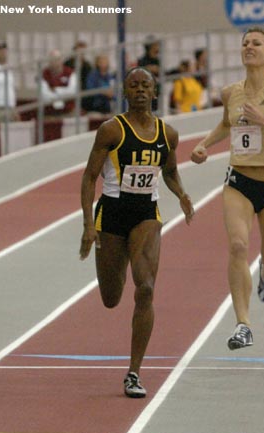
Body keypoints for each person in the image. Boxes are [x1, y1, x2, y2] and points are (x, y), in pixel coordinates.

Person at [79, 67, 194, 398]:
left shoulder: (167, 134)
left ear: (155, 92)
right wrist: (89, 224)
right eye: (134, 85)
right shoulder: (111, 130)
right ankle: (117, 261)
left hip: (146, 213)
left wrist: (182, 193)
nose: (141, 90)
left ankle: (133, 372)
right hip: (112, 214)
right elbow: (89, 178)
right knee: (111, 298)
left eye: (146, 85)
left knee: (145, 288)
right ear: (125, 93)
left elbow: (170, 171)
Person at [190, 27, 264, 350]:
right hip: (239, 181)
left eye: (256, 43)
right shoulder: (231, 93)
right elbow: (226, 125)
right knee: (239, 246)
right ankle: (243, 324)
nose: (248, 47)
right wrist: (203, 145)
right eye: (245, 43)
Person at [41, 49, 78, 117]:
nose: (55, 62)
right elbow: (45, 96)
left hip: (68, 111)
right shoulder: (44, 74)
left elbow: (72, 92)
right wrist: (64, 92)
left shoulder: (70, 72)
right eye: (52, 60)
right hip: (50, 112)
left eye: (57, 59)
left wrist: (56, 90)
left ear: (61, 60)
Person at [0, 40, 18, 123]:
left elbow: (11, 89)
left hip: (9, 107)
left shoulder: (9, 69)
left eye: (4, 50)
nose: (3, 52)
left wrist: (14, 108)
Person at [64, 40, 93, 110]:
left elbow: (89, 81)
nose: (80, 54)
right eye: (78, 51)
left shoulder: (87, 65)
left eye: (83, 52)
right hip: (69, 91)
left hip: (83, 93)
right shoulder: (67, 63)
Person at [137, 36, 161, 110]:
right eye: (155, 45)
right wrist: (149, 68)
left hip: (155, 91)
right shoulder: (142, 60)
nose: (158, 48)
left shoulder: (158, 61)